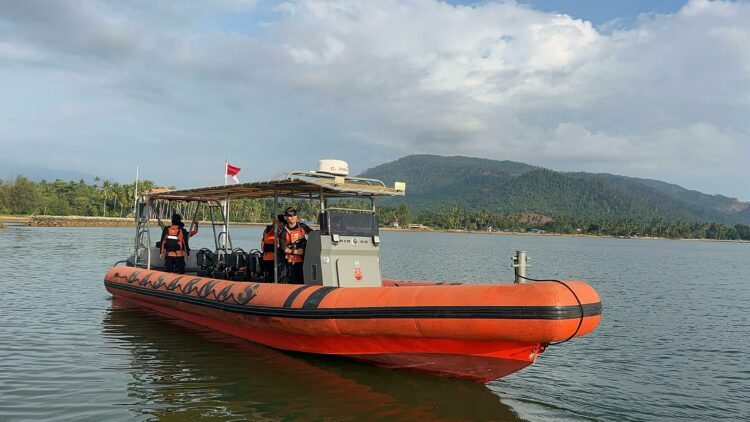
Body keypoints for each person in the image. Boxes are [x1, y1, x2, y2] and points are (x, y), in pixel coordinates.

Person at [280, 207, 311, 284]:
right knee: (294, 281)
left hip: (305, 260)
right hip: (292, 262)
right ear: (286, 217)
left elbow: (313, 236)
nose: (292, 217)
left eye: (294, 214)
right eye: (290, 215)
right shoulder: (284, 232)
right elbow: (284, 249)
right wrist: (296, 251)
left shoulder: (302, 227)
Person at [260, 214, 285, 282]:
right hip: (270, 259)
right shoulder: (271, 229)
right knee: (273, 276)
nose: (284, 225)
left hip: (274, 258)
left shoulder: (278, 230)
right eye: (283, 223)